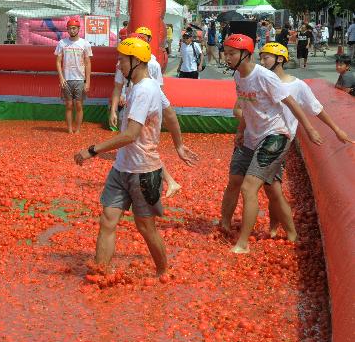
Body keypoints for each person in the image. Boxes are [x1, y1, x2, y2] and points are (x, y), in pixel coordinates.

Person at [74, 38, 197, 276]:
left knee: (145, 227)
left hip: (143, 171)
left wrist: (92, 150)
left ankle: (163, 272)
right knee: (108, 220)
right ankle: (100, 273)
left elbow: (130, 135)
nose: (118, 65)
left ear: (136, 61)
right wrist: (179, 146)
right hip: (122, 168)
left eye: (121, 60)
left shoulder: (144, 90)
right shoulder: (142, 86)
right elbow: (170, 115)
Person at [218, 34, 323, 254]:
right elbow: (247, 106)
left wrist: (310, 129)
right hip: (251, 136)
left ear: (245, 54)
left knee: (249, 187)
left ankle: (243, 243)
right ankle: (228, 224)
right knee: (251, 183)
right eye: (225, 53)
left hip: (275, 135)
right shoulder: (238, 76)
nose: (226, 58)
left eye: (231, 54)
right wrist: (240, 130)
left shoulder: (265, 77)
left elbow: (291, 103)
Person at [250, 43, 353, 238]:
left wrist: (337, 129)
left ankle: (282, 232)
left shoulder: (297, 85)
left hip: (278, 140)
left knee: (263, 187)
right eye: (261, 58)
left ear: (280, 59)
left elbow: (317, 109)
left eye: (266, 58)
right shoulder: (262, 81)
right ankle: (277, 229)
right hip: (260, 138)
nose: (262, 62)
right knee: (272, 187)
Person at [109, 27, 182, 197]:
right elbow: (118, 86)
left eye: (145, 39)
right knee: (139, 145)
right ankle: (170, 181)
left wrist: (93, 150)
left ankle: (168, 181)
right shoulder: (123, 63)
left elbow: (159, 92)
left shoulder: (152, 69)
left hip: (144, 107)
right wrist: (114, 109)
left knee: (140, 143)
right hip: (132, 104)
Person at [55, 18, 92, 134]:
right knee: (69, 105)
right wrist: (61, 77)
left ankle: (78, 129)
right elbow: (58, 61)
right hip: (67, 79)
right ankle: (70, 129)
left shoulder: (85, 44)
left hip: (80, 79)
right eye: (70, 28)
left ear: (78, 29)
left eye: (74, 28)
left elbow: (87, 63)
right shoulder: (62, 43)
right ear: (67, 29)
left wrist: (87, 81)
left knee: (79, 105)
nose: (72, 30)